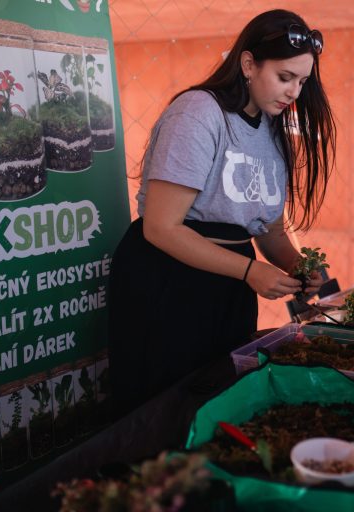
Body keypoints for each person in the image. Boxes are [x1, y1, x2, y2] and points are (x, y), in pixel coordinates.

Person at [107, 9, 336, 416]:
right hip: (168, 281)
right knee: (162, 408)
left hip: (229, 286)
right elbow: (161, 227)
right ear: (248, 64)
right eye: (285, 77)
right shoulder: (198, 113)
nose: (294, 93)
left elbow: (267, 228)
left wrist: (297, 266)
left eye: (302, 82)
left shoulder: (271, 127)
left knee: (216, 402)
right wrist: (250, 271)